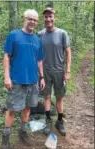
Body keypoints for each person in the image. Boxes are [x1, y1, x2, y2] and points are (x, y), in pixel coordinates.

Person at [1, 9, 45, 149]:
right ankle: (5, 138)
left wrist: (42, 77)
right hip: (16, 81)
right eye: (29, 18)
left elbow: (39, 61)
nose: (32, 21)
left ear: (37, 22)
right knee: (12, 109)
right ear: (24, 19)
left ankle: (23, 131)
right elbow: (7, 56)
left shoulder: (38, 40)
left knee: (27, 108)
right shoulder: (14, 35)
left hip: (33, 81)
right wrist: (7, 76)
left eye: (35, 20)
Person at [38, 7, 71, 136]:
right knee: (46, 96)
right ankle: (47, 121)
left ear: (54, 18)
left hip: (59, 71)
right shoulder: (40, 34)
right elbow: (38, 55)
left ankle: (60, 121)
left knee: (59, 97)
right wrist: (39, 74)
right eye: (46, 17)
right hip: (45, 71)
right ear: (44, 19)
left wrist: (67, 71)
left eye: (50, 16)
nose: (48, 19)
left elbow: (68, 52)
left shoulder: (62, 33)